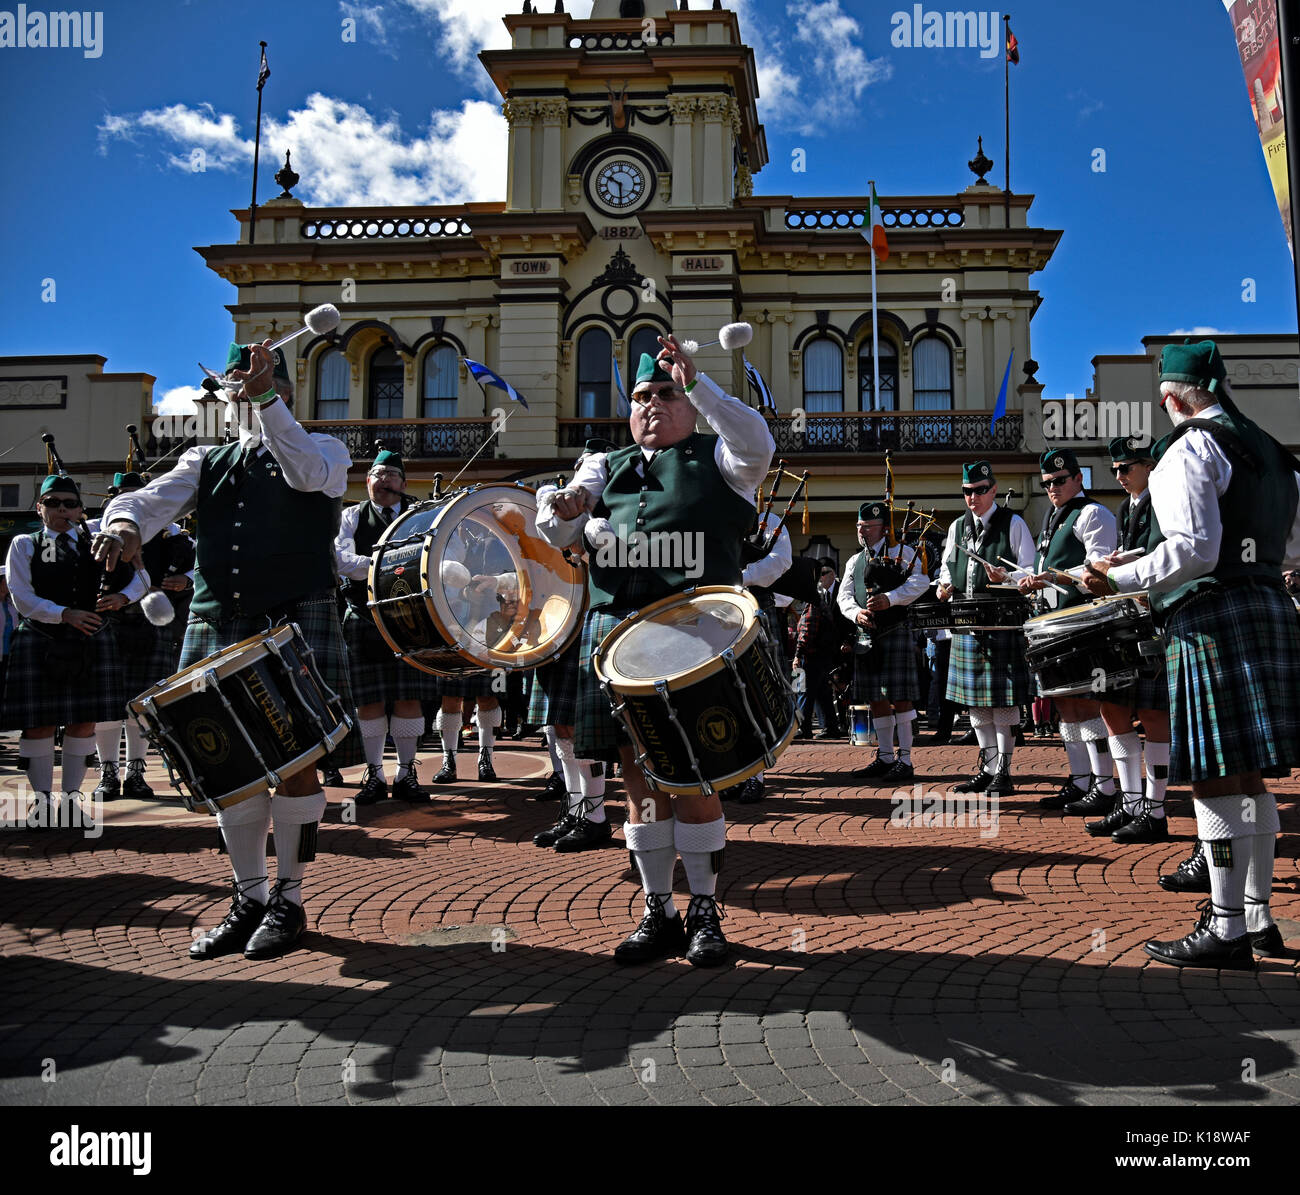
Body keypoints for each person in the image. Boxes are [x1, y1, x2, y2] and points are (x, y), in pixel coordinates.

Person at [96, 340, 357, 961]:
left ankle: (290, 901)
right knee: (228, 766)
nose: (240, 394)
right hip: (219, 620)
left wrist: (266, 398)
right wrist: (124, 525)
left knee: (295, 763)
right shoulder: (204, 460)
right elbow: (145, 500)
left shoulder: (325, 449)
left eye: (258, 383)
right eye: (237, 383)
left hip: (293, 619)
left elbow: (307, 477)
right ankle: (250, 897)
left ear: (285, 391)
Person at [538, 336, 774, 966]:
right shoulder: (604, 467)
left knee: (694, 777)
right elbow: (558, 525)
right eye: (643, 396)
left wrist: (699, 383)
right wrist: (559, 509)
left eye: (666, 394)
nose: (652, 404)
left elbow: (760, 443)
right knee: (639, 782)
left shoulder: (723, 459)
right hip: (618, 646)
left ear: (689, 405)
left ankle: (703, 909)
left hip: (696, 644)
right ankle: (658, 910)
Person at [1085, 341, 1300, 968]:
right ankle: (1258, 918)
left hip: (1210, 615)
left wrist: (1116, 578)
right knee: (1251, 779)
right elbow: (1288, 551)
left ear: (1168, 397)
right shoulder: (1273, 452)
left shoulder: (1188, 447)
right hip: (1266, 607)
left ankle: (1226, 928)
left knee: (1212, 779)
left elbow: (1194, 551)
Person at [2, 473, 145, 820]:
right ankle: (42, 803)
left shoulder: (98, 540)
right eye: (53, 503)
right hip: (42, 637)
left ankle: (69, 802)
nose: (62, 509)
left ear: (81, 509)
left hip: (92, 639)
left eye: (70, 503)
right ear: (39, 508)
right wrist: (64, 614)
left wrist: (121, 597)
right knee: (39, 724)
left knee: (84, 722)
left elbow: (142, 576)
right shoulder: (25, 543)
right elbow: (21, 595)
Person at [1078, 437, 1172, 845]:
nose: (1118, 475)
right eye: (1114, 469)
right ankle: (1130, 802)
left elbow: (1168, 551)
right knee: (1112, 707)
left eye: (1126, 468)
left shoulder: (1163, 500)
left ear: (1148, 466)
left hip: (1155, 615)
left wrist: (1122, 562)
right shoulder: (1125, 506)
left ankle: (1156, 809)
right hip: (1126, 619)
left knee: (1152, 715)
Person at [333, 448, 436, 804]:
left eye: (392, 474)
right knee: (369, 701)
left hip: (411, 620)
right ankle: (374, 777)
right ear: (367, 482)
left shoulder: (420, 516)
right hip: (363, 616)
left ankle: (406, 776)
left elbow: (436, 558)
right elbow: (342, 560)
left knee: (409, 698)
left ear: (404, 483)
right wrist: (392, 566)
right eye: (378, 474)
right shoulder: (351, 517)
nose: (384, 480)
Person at [1018, 447, 1118, 812]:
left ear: (1078, 478)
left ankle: (1104, 785)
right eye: (1047, 483)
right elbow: (1046, 569)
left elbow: (1100, 568)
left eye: (1060, 480)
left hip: (1082, 621)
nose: (1052, 487)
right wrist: (1019, 578)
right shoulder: (1052, 517)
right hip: (1052, 623)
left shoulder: (1093, 512)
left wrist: (1054, 577)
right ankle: (1079, 779)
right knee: (1063, 704)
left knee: (1087, 704)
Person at [89, 470, 195, 802]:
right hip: (105, 625)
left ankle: (135, 772)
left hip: (153, 625)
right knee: (106, 705)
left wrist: (188, 580)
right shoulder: (94, 532)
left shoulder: (175, 537)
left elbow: (200, 565)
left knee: (142, 706)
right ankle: (108, 772)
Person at [935, 462, 1036, 795]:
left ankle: (1004, 772)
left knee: (1003, 705)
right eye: (967, 491)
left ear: (993, 489)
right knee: (977, 705)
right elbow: (947, 567)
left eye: (979, 490)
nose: (972, 497)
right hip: (967, 621)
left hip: (1002, 621)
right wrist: (943, 587)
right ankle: (989, 768)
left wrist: (1005, 577)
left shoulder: (1013, 522)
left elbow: (1029, 573)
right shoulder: (957, 528)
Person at [839, 501, 930, 783]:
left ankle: (906, 759)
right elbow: (843, 596)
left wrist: (890, 599)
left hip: (895, 630)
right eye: (858, 526)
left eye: (867, 526)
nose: (861, 530)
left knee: (900, 697)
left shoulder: (902, 553)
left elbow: (921, 582)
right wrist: (857, 614)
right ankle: (886, 756)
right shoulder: (855, 561)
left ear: (883, 528)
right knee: (875, 697)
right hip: (867, 634)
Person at [727, 521, 793, 803]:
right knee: (730, 694)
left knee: (757, 691)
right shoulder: (712, 511)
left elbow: (781, 561)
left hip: (756, 607)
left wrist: (742, 575)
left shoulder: (771, 523)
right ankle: (737, 774)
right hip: (721, 606)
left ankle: (756, 775)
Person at [795, 560, 846, 739]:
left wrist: (797, 655)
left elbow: (807, 632)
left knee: (802, 691)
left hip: (810, 656)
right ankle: (830, 727)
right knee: (822, 693)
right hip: (821, 655)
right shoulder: (819, 600)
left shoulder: (811, 603)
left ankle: (802, 727)